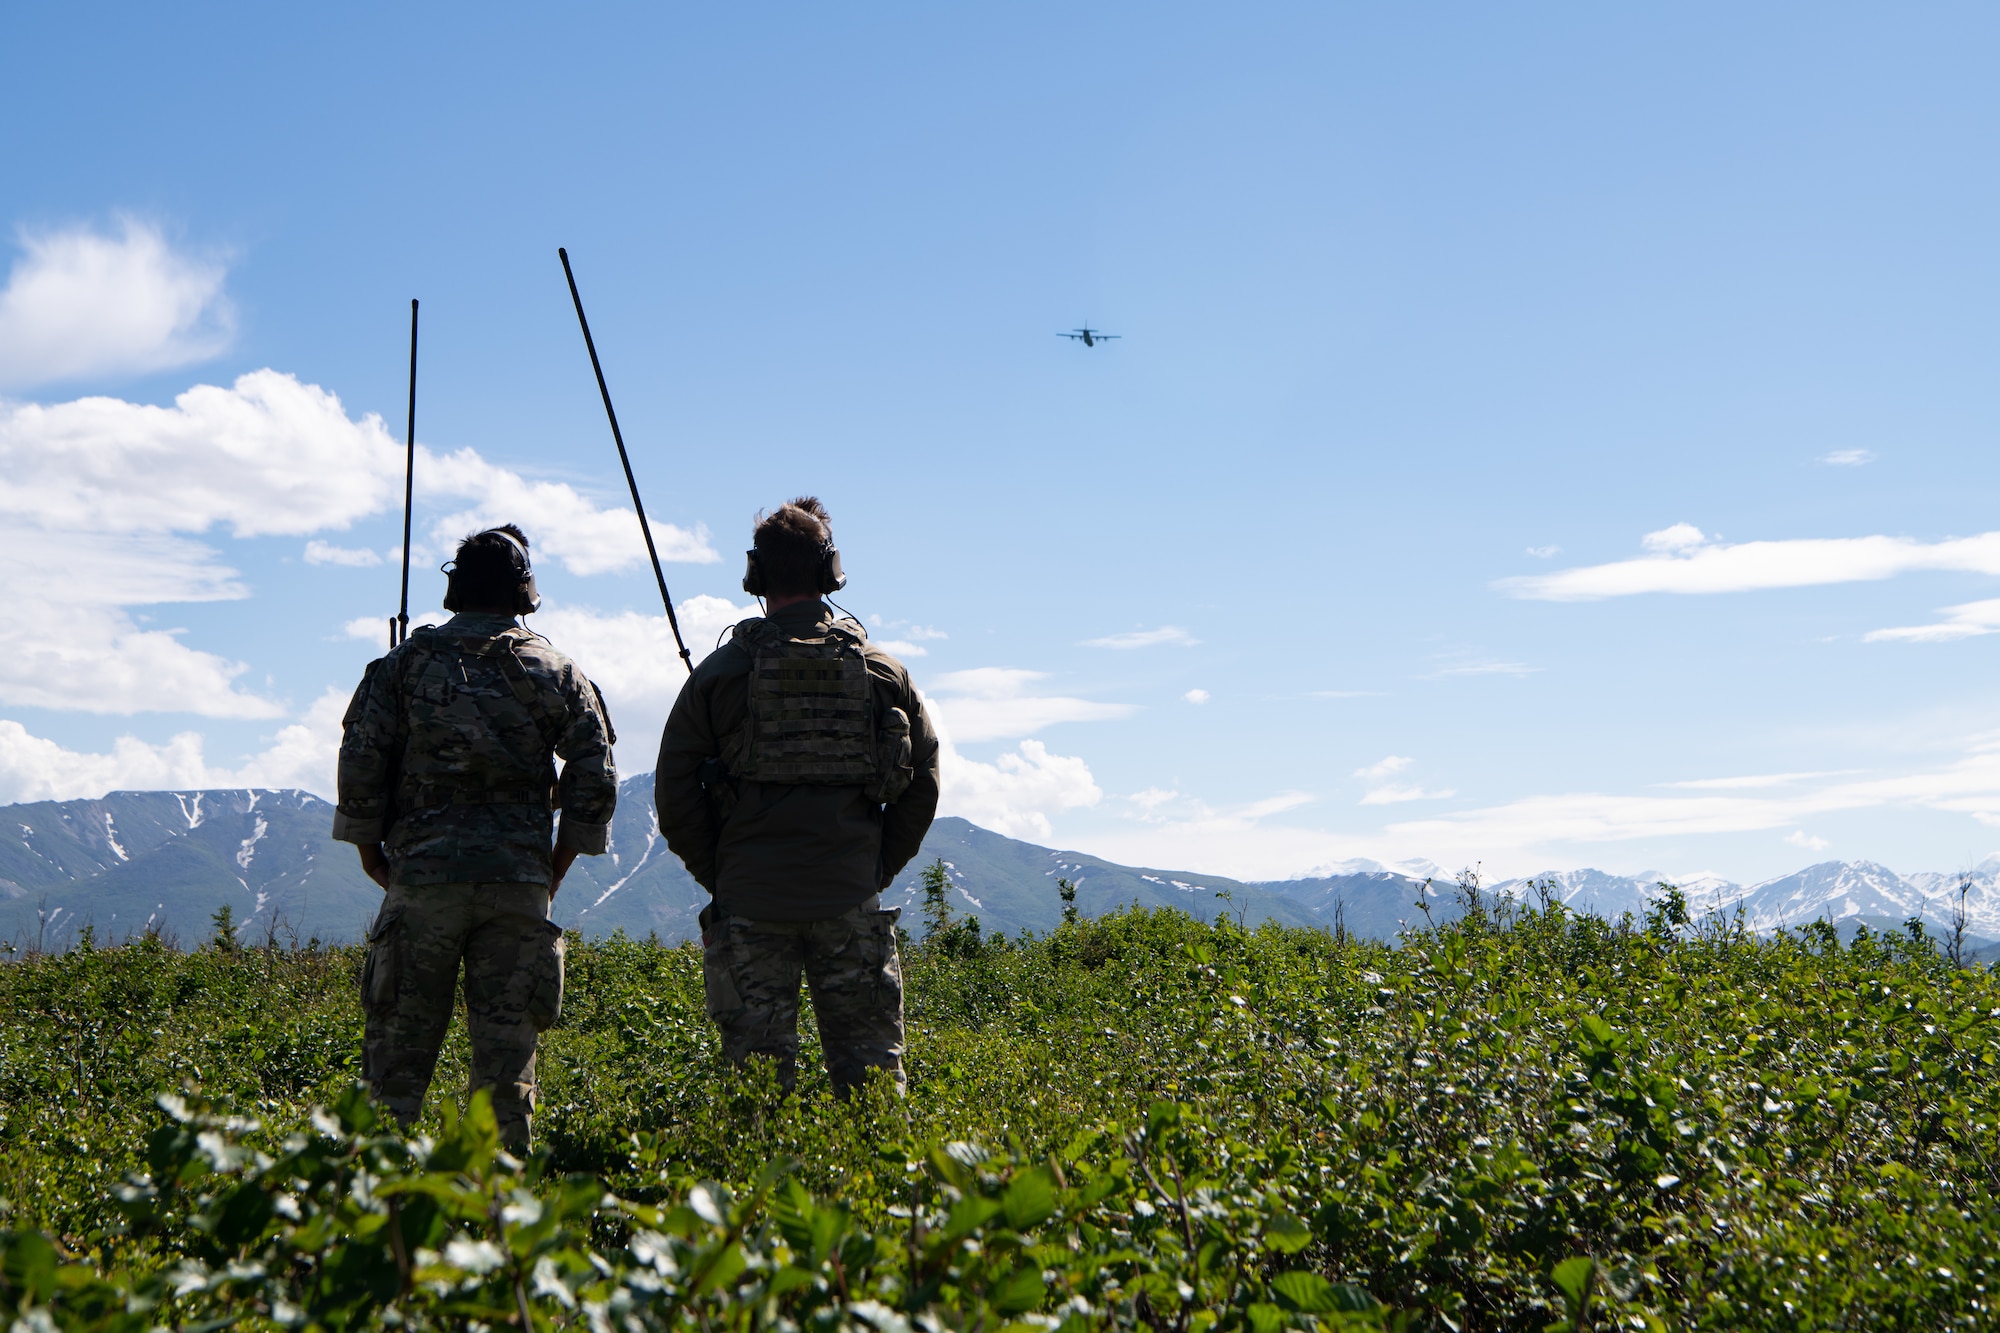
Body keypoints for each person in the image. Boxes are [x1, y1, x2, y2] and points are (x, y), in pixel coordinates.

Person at [332, 524, 617, 1147]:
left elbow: (360, 758)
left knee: (394, 1067)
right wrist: (555, 865)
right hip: (518, 886)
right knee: (506, 1066)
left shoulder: (402, 666)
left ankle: (382, 1213)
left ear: (455, 588)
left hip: (422, 881)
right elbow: (594, 774)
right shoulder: (559, 672)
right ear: (524, 592)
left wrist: (371, 853)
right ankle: (501, 1215)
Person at [656, 497, 940, 1096]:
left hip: (751, 903)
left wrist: (725, 875)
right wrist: (873, 868)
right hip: (850, 897)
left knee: (757, 1090)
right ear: (831, 572)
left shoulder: (718, 675)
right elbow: (924, 779)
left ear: (756, 577)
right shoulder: (883, 672)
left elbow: (674, 793)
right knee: (872, 1085)